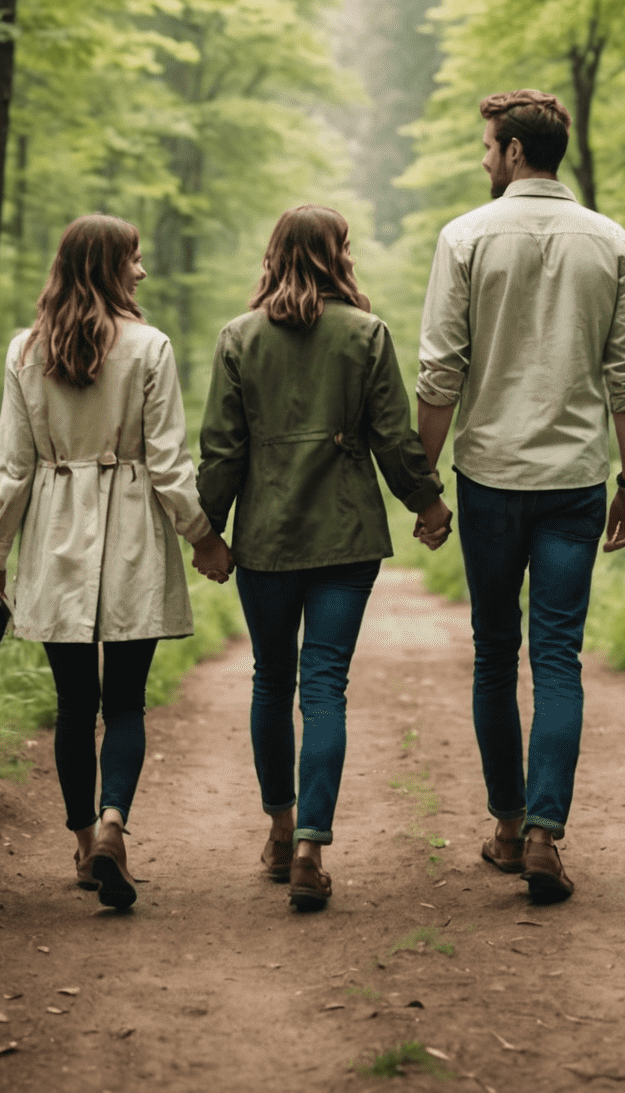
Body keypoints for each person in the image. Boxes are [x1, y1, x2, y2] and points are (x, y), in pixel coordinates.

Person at [416, 89, 625, 904]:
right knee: (557, 657)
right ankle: (548, 833)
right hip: (576, 481)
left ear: (516, 151)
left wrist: (422, 486)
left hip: (488, 478)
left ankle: (511, 830)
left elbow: (440, 371)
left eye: (487, 147)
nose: (484, 160)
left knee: (494, 652)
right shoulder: (611, 240)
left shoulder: (465, 237)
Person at [197, 206, 451, 912]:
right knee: (324, 685)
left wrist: (207, 532)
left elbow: (220, 449)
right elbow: (395, 435)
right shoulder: (365, 334)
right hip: (346, 535)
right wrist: (426, 503)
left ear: (273, 254)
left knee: (271, 681)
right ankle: (311, 846)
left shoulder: (238, 338)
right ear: (339, 255)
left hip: (268, 537)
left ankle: (280, 829)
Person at [0, 214, 233, 911]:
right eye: (134, 259)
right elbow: (170, 464)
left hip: (56, 533)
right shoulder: (150, 348)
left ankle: (87, 841)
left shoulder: (24, 353)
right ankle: (117, 823)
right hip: (130, 535)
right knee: (124, 701)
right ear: (106, 267)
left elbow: (12, 469)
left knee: (72, 704)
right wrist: (203, 536)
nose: (142, 272)